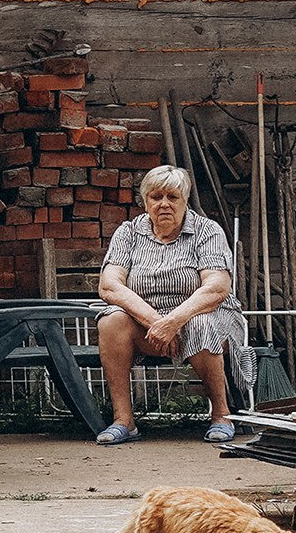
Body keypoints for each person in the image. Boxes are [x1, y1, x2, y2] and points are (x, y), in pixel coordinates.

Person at [93, 165, 255, 445]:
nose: (164, 204)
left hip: (208, 317)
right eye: (156, 197)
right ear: (145, 202)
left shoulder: (207, 231)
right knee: (111, 320)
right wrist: (158, 322)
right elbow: (109, 286)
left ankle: (221, 414)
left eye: (173, 197)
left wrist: (174, 321)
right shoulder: (128, 233)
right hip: (150, 326)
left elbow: (216, 288)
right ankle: (124, 421)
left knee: (200, 323)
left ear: (185, 201)